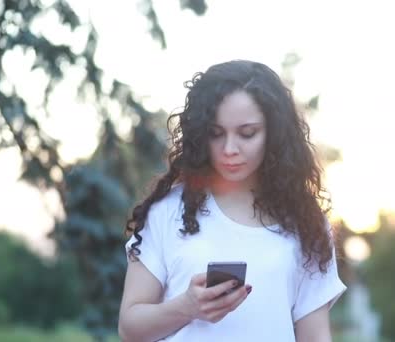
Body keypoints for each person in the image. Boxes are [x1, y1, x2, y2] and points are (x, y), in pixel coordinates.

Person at [118, 60, 347, 342]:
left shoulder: (306, 222)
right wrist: (186, 307)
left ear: (274, 134)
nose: (229, 149)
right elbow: (129, 329)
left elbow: (315, 337)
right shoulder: (167, 211)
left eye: (247, 133)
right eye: (216, 134)